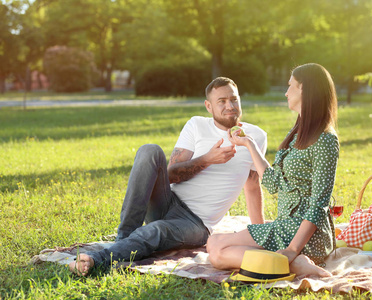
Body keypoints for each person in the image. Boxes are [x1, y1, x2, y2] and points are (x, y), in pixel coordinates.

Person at [69, 77, 267, 276]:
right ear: (209, 106)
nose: (229, 106)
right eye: (221, 101)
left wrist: (259, 234)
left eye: (234, 99)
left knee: (155, 231)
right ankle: (124, 238)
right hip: (167, 201)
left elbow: (252, 184)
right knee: (150, 151)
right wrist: (207, 159)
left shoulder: (255, 137)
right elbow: (171, 175)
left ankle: (98, 259)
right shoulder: (196, 125)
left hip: (196, 224)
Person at [207, 63, 339, 277]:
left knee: (218, 253)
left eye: (290, 86)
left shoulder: (325, 140)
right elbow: (274, 183)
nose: (286, 92)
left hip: (305, 235)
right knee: (214, 243)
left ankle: (292, 262)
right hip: (286, 226)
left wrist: (291, 250)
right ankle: (291, 264)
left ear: (304, 88)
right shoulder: (298, 133)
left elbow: (319, 204)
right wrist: (249, 144)